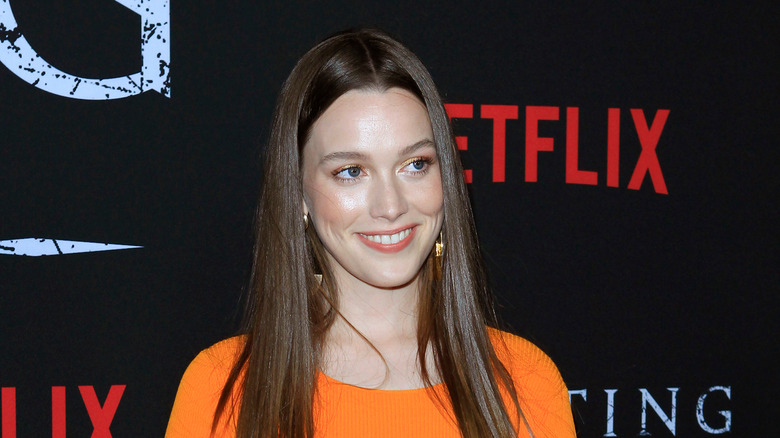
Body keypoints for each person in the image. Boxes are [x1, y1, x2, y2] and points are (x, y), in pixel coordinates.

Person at [165, 29, 575, 438]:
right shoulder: (222, 390)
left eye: (415, 164)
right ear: (298, 192)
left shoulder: (526, 381)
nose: (391, 205)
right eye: (351, 171)